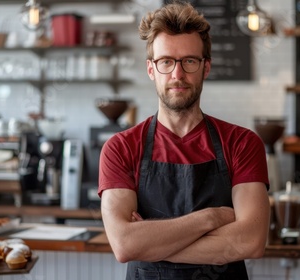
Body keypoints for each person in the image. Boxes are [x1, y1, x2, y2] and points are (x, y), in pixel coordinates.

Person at [98, 2, 270, 279]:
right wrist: (211, 218)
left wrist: (149, 244)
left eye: (189, 61)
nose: (178, 74)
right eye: (166, 61)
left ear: (206, 67)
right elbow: (124, 245)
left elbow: (250, 242)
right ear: (151, 69)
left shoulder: (242, 143)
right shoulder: (120, 148)